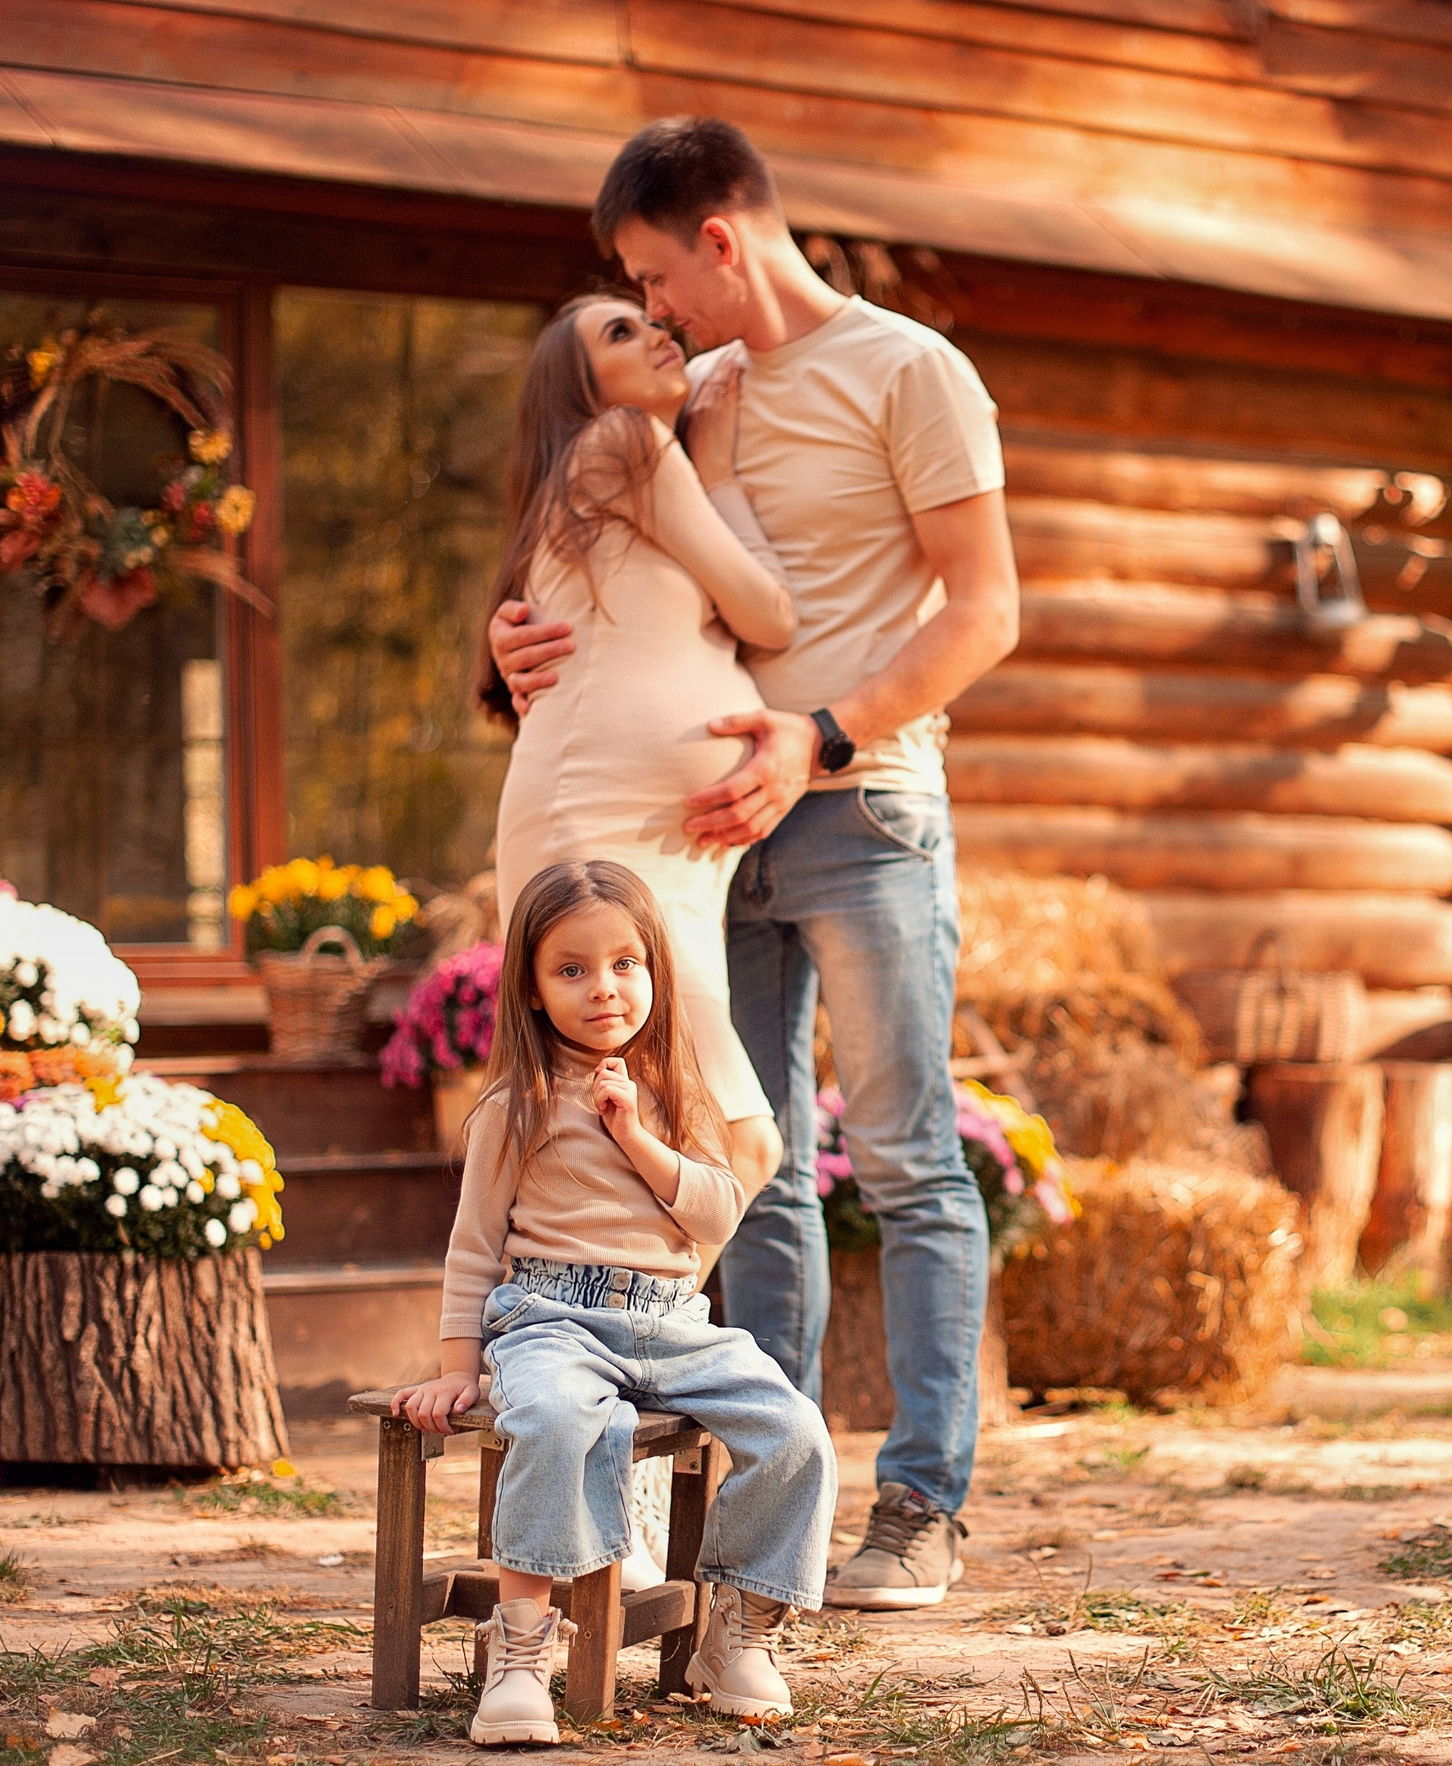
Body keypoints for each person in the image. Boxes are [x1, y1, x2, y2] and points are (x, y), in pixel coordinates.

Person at [491, 117, 1018, 1610]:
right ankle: (764, 1493)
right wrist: (510, 638)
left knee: (911, 1160)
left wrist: (820, 738)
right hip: (705, 837)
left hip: (861, 807)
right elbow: (608, 556)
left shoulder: (910, 370)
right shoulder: (685, 391)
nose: (655, 312)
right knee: (751, 1160)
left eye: (661, 277)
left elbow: (985, 613)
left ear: (721, 241)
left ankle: (920, 1503)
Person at [393, 860, 836, 1746]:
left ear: (654, 974)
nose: (604, 989)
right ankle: (520, 1652)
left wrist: (635, 1133)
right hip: (552, 1317)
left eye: (625, 964)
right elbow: (474, 1248)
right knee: (555, 1421)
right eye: (573, 970)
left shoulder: (675, 1093)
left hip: (672, 1320)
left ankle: (738, 1632)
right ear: (530, 988)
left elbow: (716, 1208)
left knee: (795, 1431)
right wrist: (457, 1370)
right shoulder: (512, 1107)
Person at [478, 288, 795, 1204]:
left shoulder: (588, 479)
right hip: (603, 826)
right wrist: (723, 467)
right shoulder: (622, 441)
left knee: (649, 1132)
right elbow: (768, 611)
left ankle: (608, 1330)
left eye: (653, 321)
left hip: (657, 840)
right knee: (731, 1138)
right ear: (579, 385)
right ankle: (608, 1331)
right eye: (622, 332)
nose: (657, 334)